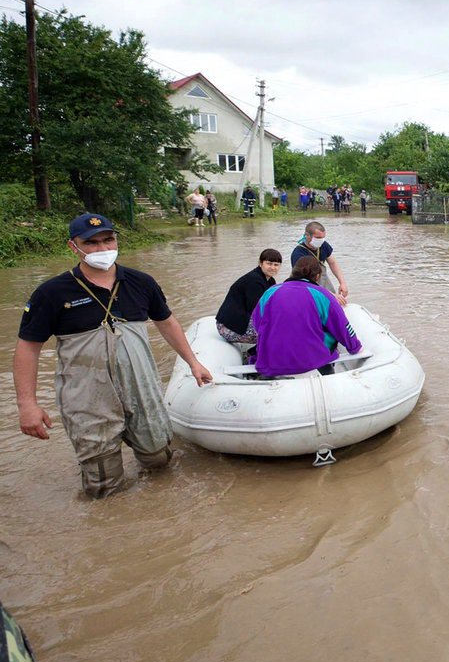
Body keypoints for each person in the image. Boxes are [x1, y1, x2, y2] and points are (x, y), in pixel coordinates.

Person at [14, 213, 213, 499]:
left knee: (159, 458)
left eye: (108, 240)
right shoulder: (53, 292)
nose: (102, 248)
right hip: (87, 396)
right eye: (91, 243)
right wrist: (27, 405)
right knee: (103, 483)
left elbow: (166, 322)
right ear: (74, 247)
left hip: (140, 387)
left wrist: (193, 363)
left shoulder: (140, 282)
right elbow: (28, 348)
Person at [250, 256, 362, 377]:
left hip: (271, 361)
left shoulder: (270, 291)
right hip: (312, 361)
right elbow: (342, 326)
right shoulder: (323, 295)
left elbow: (257, 323)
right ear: (317, 276)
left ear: (293, 272)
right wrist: (355, 347)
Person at [215, 248, 281, 343]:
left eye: (276, 265)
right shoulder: (254, 281)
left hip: (241, 320)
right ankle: (257, 354)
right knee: (276, 334)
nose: (273, 267)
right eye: (269, 263)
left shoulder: (270, 281)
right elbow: (256, 311)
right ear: (260, 263)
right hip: (228, 327)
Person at [291, 221, 349, 303]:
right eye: (318, 238)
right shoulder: (298, 254)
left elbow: (333, 263)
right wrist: (330, 295)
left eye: (323, 237)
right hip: (306, 287)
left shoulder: (323, 245)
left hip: (322, 280)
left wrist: (342, 283)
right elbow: (304, 280)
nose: (321, 240)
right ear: (307, 235)